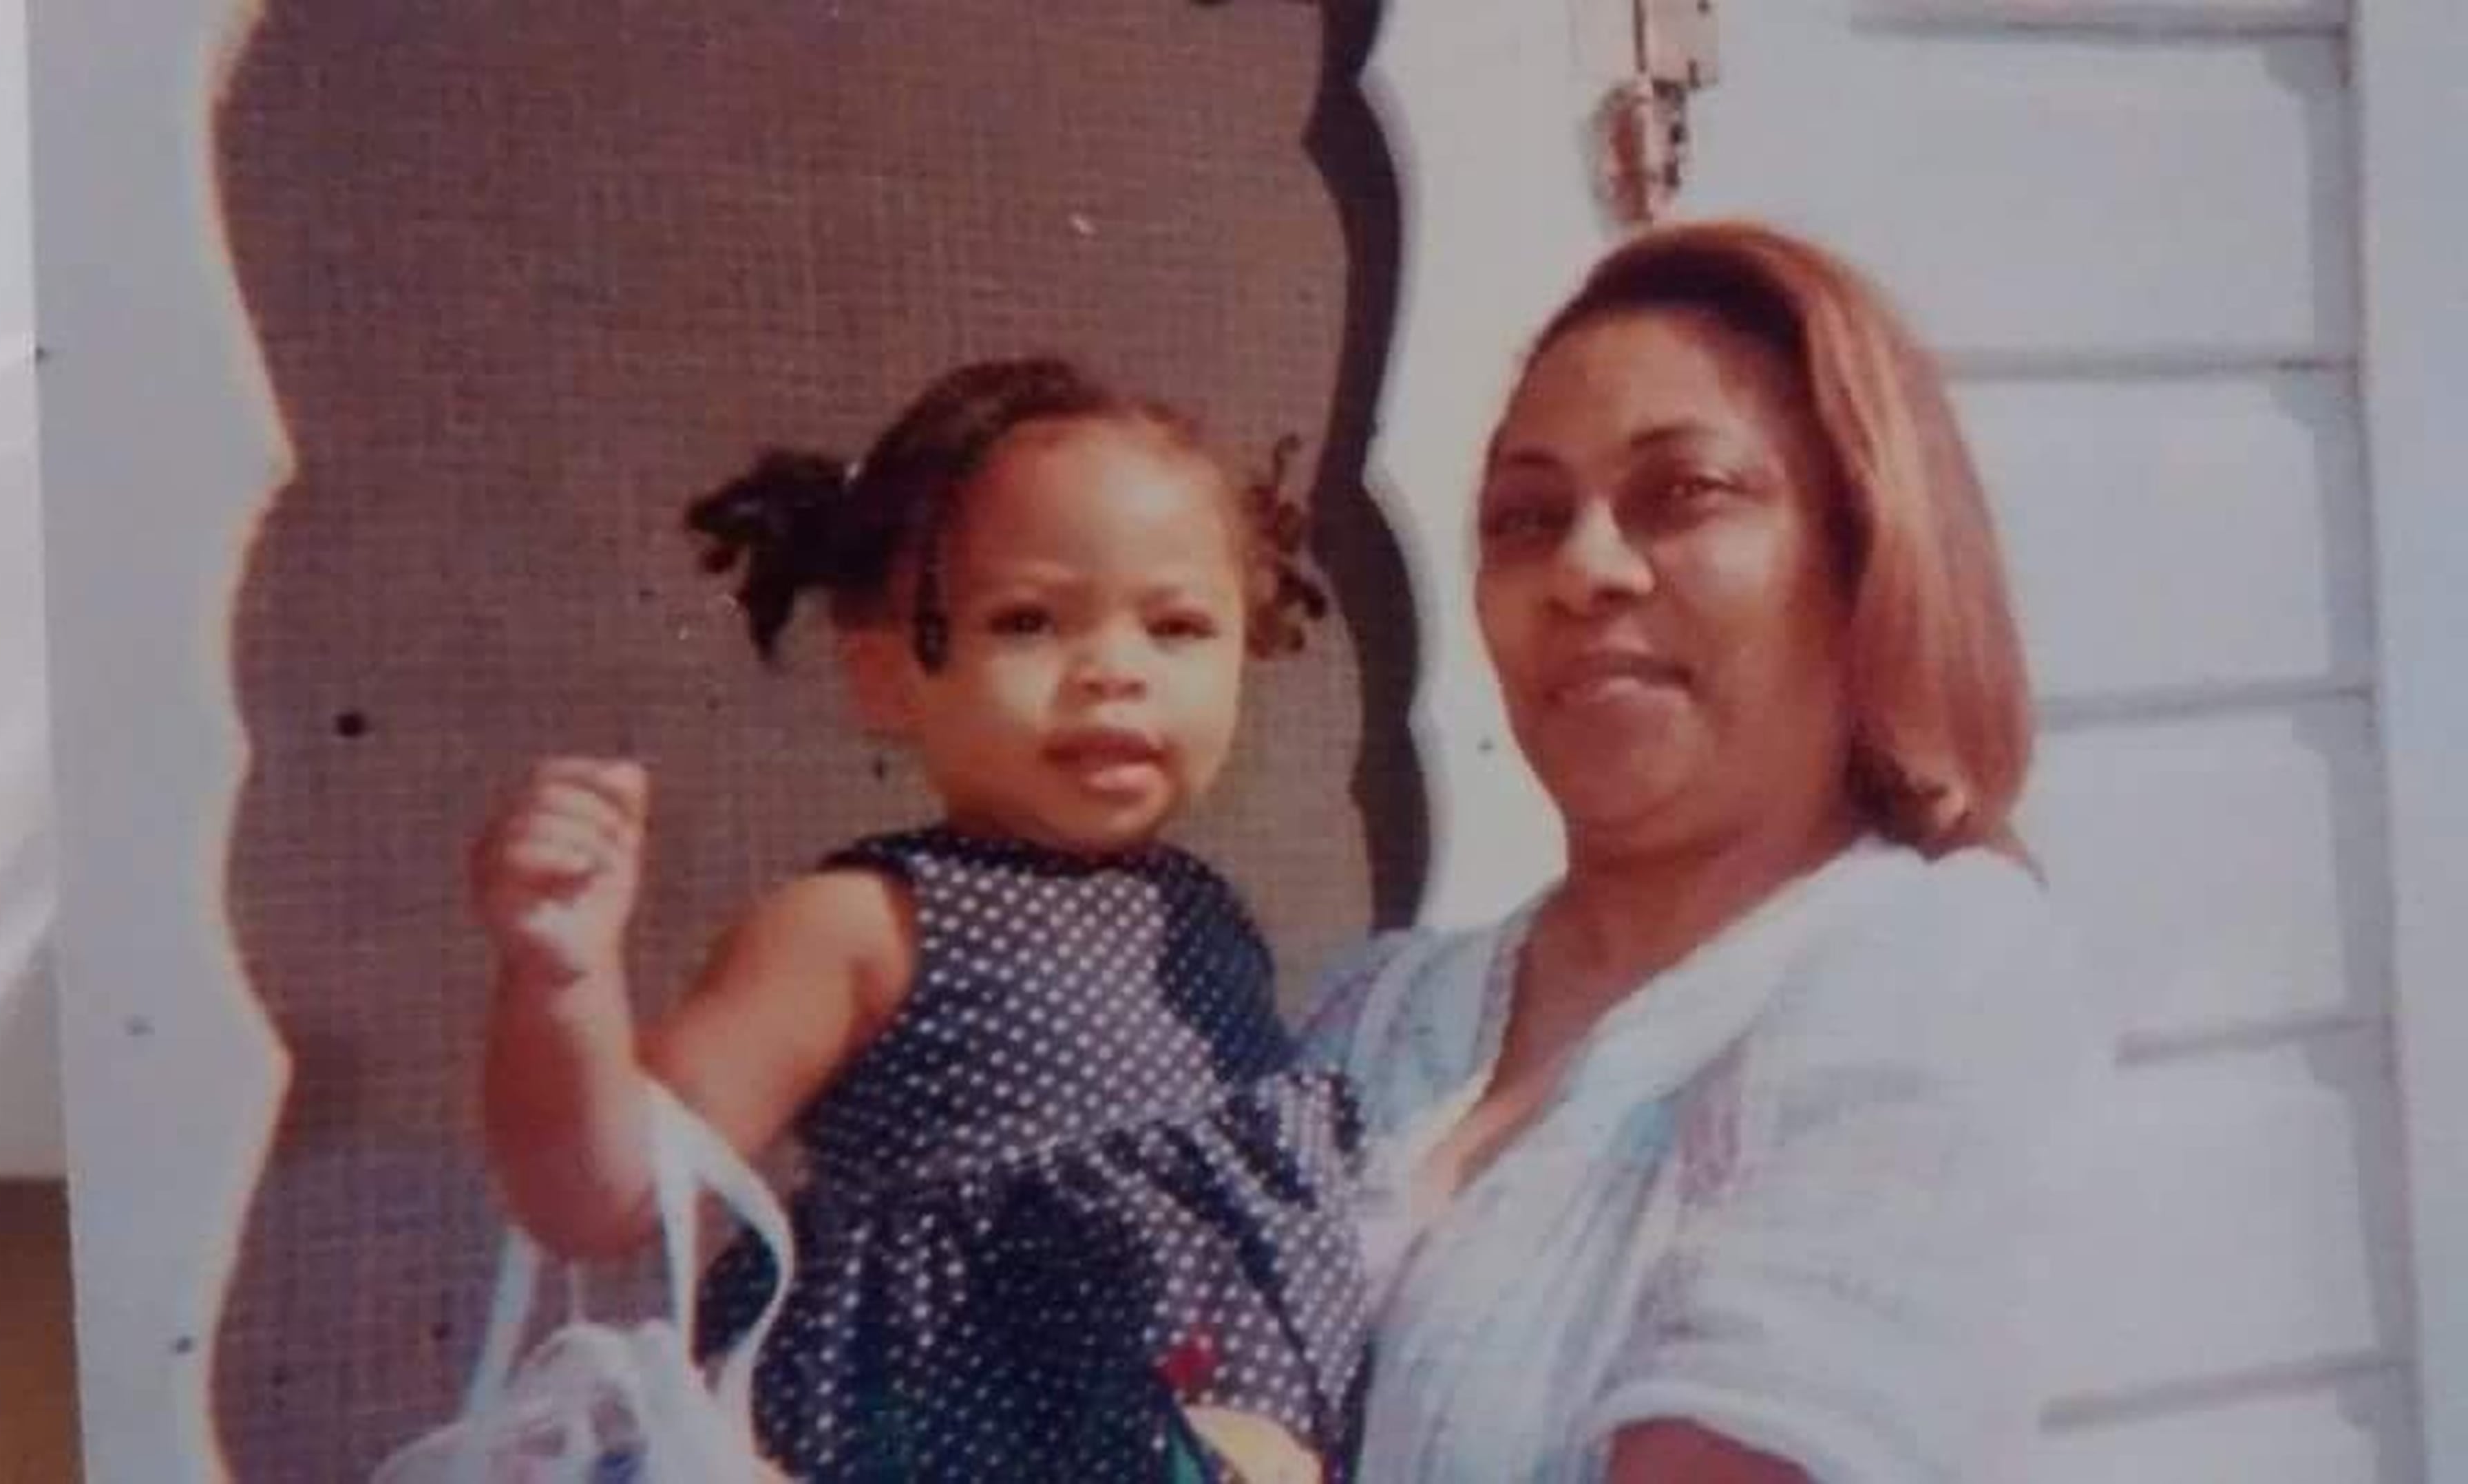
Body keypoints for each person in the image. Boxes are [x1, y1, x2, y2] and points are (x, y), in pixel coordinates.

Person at [468, 355, 1369, 1483]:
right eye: (1031, 621)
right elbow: (602, 1189)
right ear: (890, 676)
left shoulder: (1208, 925)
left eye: (1178, 626)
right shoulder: (867, 924)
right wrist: (561, 976)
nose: (1114, 672)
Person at [1304, 220, 2100, 1483]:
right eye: (1526, 517)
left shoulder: (1934, 961)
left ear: (1863, 554)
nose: (1585, 570)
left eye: (1682, 494)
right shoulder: (1372, 1017)